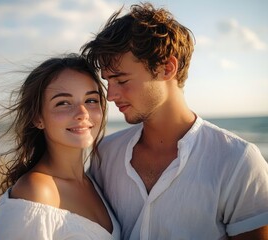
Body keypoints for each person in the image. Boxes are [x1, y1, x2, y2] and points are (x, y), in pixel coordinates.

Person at [81, 2, 268, 240]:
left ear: (167, 68)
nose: (111, 95)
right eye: (108, 81)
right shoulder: (105, 154)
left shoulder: (238, 162)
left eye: (121, 80)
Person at [0, 54, 120, 240]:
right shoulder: (37, 191)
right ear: (38, 118)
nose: (82, 113)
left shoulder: (93, 181)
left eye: (91, 100)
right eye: (63, 103)